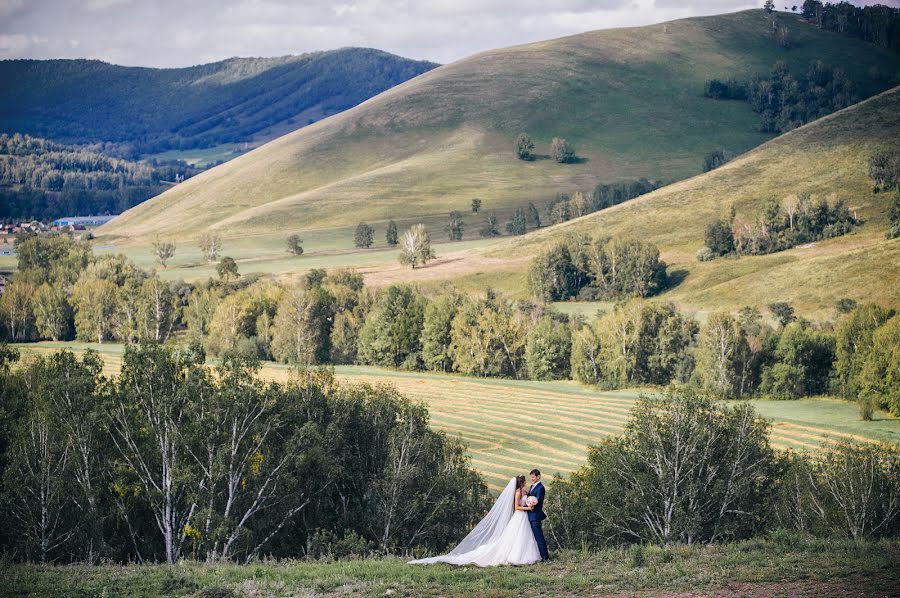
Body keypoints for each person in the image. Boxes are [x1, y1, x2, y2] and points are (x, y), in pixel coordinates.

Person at [408, 475, 542, 566]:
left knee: (521, 537)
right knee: (514, 536)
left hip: (523, 517)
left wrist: (530, 503)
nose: (526, 483)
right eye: (524, 481)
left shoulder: (524, 492)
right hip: (520, 515)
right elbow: (516, 506)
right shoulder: (518, 493)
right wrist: (528, 508)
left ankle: (524, 555)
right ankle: (515, 556)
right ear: (522, 483)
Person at [527, 469, 549, 561]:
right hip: (530, 515)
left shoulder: (540, 488)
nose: (531, 479)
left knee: (539, 537)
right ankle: (536, 556)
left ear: (538, 476)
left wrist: (530, 505)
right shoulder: (532, 486)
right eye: (531, 477)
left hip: (535, 516)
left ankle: (545, 557)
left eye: (533, 477)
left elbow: (538, 502)